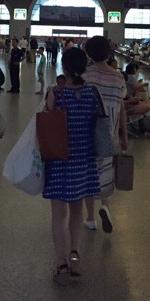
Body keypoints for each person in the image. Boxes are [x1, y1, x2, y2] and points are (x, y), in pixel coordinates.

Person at [43, 47, 102, 285]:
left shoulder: (56, 94)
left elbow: (47, 123)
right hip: (83, 159)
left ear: (64, 68)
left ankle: (61, 265)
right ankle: (75, 255)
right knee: (77, 211)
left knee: (58, 215)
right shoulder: (92, 94)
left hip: (59, 159)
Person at [82, 36, 128, 234]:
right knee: (105, 171)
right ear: (109, 53)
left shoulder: (85, 75)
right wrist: (124, 135)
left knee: (89, 173)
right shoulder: (118, 77)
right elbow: (122, 107)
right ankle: (105, 206)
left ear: (88, 53)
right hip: (110, 133)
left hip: (88, 132)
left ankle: (90, 218)